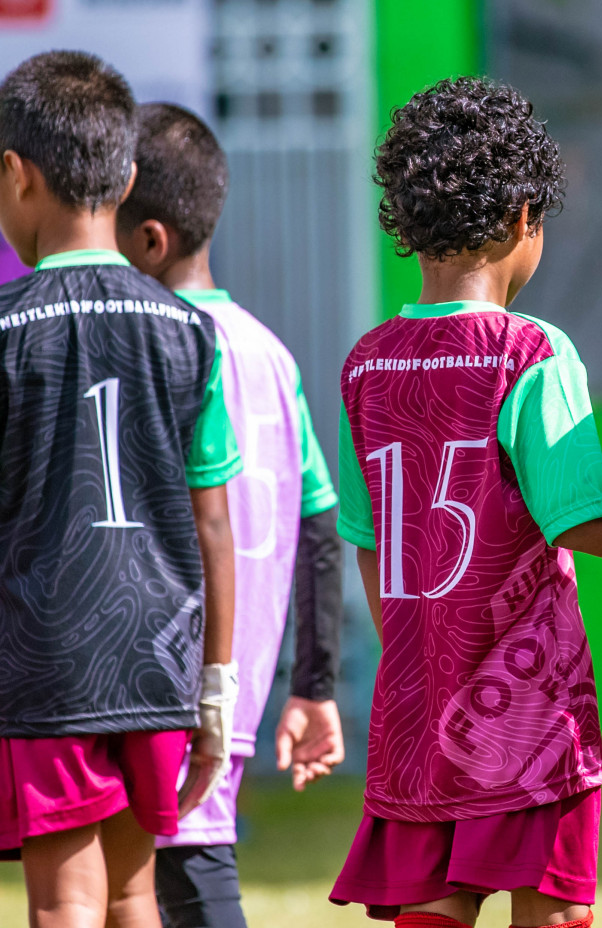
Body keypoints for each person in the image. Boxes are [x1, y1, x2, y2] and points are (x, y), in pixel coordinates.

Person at [328, 76, 602, 928]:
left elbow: (368, 540)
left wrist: (417, 653)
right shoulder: (528, 352)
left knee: (432, 910)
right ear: (527, 216)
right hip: (527, 712)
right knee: (553, 911)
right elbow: (586, 521)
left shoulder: (367, 363)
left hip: (419, 706)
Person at [0, 50, 242, 927]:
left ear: (15, 175)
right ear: (128, 174)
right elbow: (213, 524)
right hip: (160, 658)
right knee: (135, 891)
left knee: (64, 903)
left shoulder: (5, 331)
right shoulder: (190, 334)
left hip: (47, 663)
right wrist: (217, 686)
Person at [115, 101, 348, 928]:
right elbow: (321, 523)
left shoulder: (153, 347)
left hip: (168, 681)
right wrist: (313, 685)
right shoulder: (272, 352)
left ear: (147, 239)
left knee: (184, 881)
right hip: (236, 685)